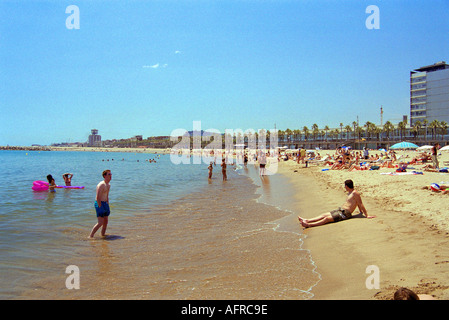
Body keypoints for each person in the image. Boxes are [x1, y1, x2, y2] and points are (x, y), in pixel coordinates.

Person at [298, 179, 375, 228]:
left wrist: (366, 215)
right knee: (324, 215)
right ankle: (307, 220)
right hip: (341, 210)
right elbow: (357, 204)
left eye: (345, 186)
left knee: (326, 219)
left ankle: (309, 225)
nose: (344, 187)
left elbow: (360, 203)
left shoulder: (355, 193)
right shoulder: (350, 192)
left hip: (345, 214)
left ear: (347, 186)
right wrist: (360, 212)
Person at [89, 170, 112, 238]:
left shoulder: (108, 185)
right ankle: (91, 236)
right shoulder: (101, 184)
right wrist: (100, 206)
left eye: (111, 174)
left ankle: (103, 235)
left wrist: (107, 204)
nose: (110, 175)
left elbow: (107, 196)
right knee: (100, 222)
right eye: (109, 174)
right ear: (105, 176)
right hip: (99, 203)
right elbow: (98, 197)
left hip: (105, 203)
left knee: (106, 221)